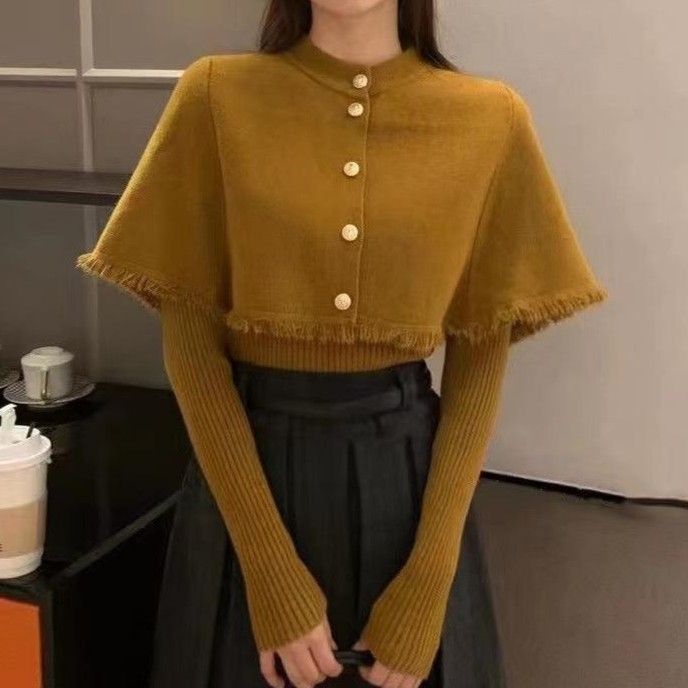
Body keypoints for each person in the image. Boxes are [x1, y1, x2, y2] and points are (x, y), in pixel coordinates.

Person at [75, 1, 608, 686]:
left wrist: (429, 582)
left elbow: (479, 362)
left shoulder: (488, 119)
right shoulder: (214, 97)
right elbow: (192, 348)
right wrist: (269, 573)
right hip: (245, 490)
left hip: (408, 495)